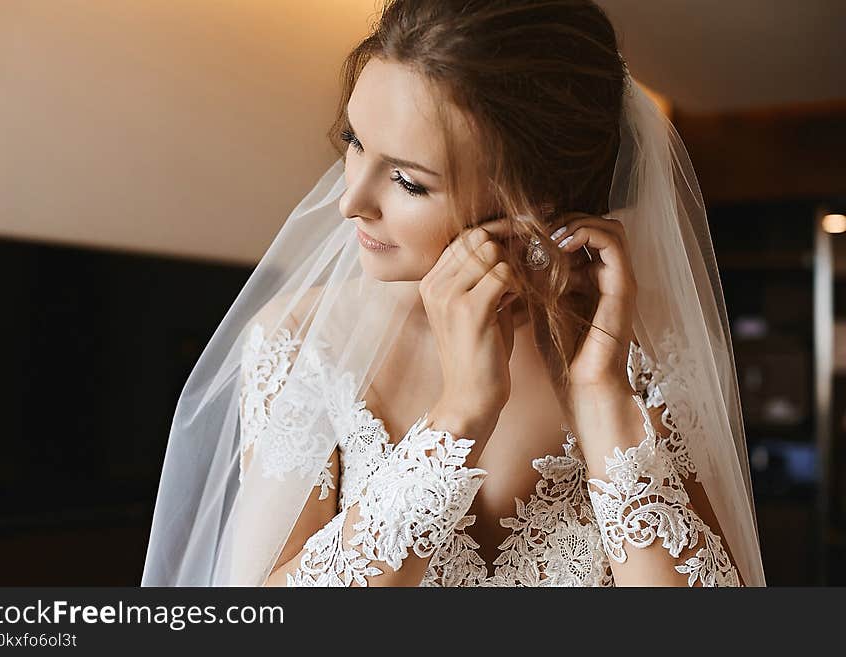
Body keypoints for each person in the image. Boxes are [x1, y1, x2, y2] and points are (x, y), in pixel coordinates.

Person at [142, 0, 766, 587]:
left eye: (409, 182)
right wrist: (458, 417)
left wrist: (604, 400)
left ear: (534, 201)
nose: (351, 201)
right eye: (355, 144)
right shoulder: (304, 342)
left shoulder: (640, 351)